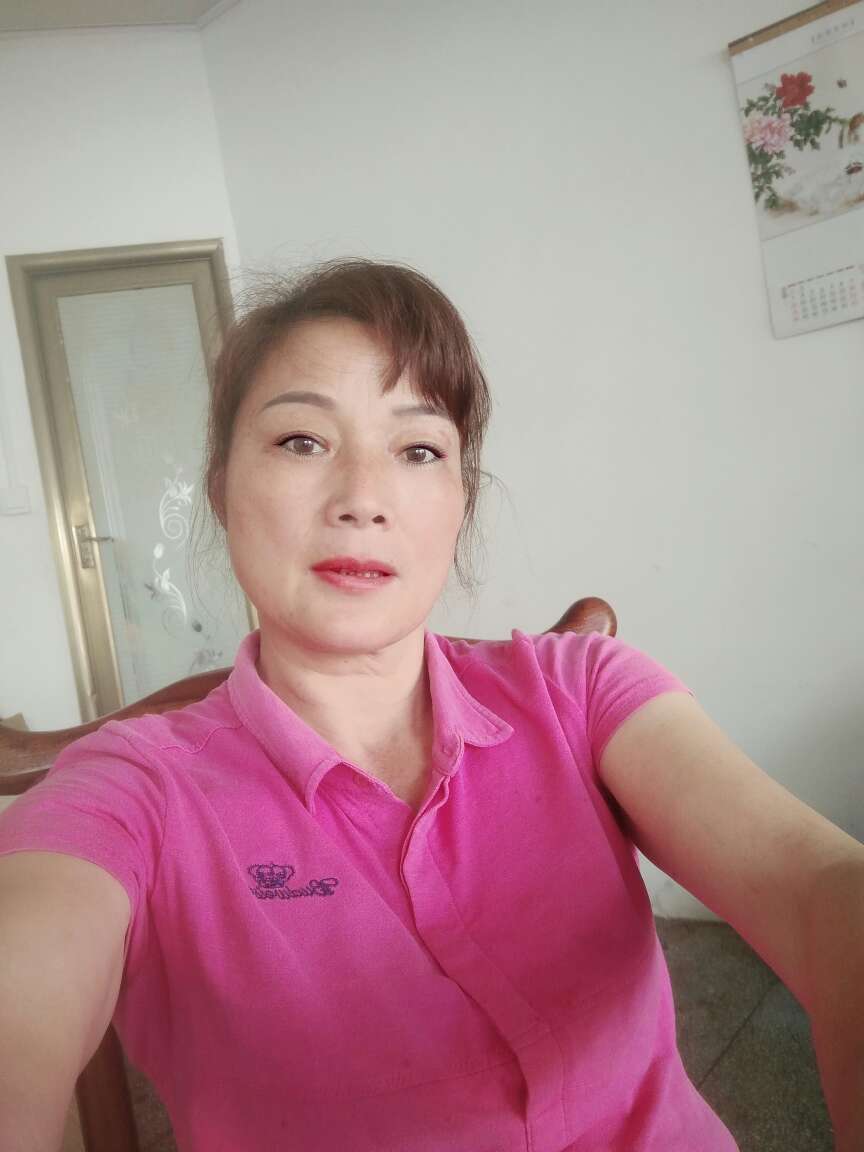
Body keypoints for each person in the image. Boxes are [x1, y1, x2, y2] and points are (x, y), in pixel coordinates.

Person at [0, 258, 862, 1152]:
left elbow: (817, 890)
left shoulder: (580, 690)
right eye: (302, 441)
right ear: (220, 488)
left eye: (418, 451)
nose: (362, 500)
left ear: (460, 501)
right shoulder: (134, 790)